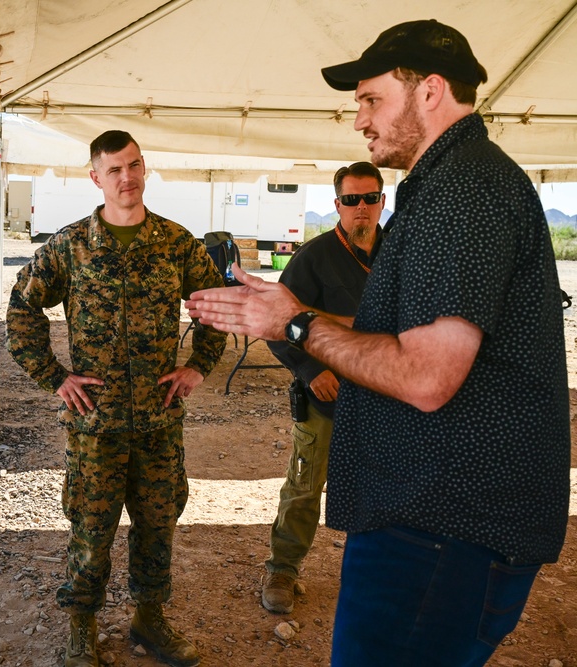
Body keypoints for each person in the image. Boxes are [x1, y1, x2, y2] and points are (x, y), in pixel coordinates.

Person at [186, 19, 570, 666]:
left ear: (431, 91)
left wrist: (297, 324)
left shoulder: (464, 190)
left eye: (371, 100)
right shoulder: (448, 185)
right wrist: (292, 312)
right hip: (438, 517)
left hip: (443, 526)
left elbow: (426, 375)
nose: (359, 121)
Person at [6, 130, 227, 667]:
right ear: (95, 178)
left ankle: (149, 620)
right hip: (95, 425)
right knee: (91, 529)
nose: (125, 178)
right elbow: (22, 307)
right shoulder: (72, 244)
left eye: (132, 166)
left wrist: (197, 366)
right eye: (113, 170)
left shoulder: (177, 243)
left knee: (157, 525)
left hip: (157, 422)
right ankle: (81, 629)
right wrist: (54, 375)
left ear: (144, 168)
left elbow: (216, 303)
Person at [261, 161, 385, 614]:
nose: (361, 209)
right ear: (337, 205)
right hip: (326, 399)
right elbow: (278, 326)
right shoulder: (312, 258)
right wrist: (310, 370)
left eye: (369, 198)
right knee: (305, 486)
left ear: (381, 202)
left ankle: (375, 577)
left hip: (386, 401)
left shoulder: (400, 255)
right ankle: (282, 568)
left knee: (385, 491)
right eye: (351, 200)